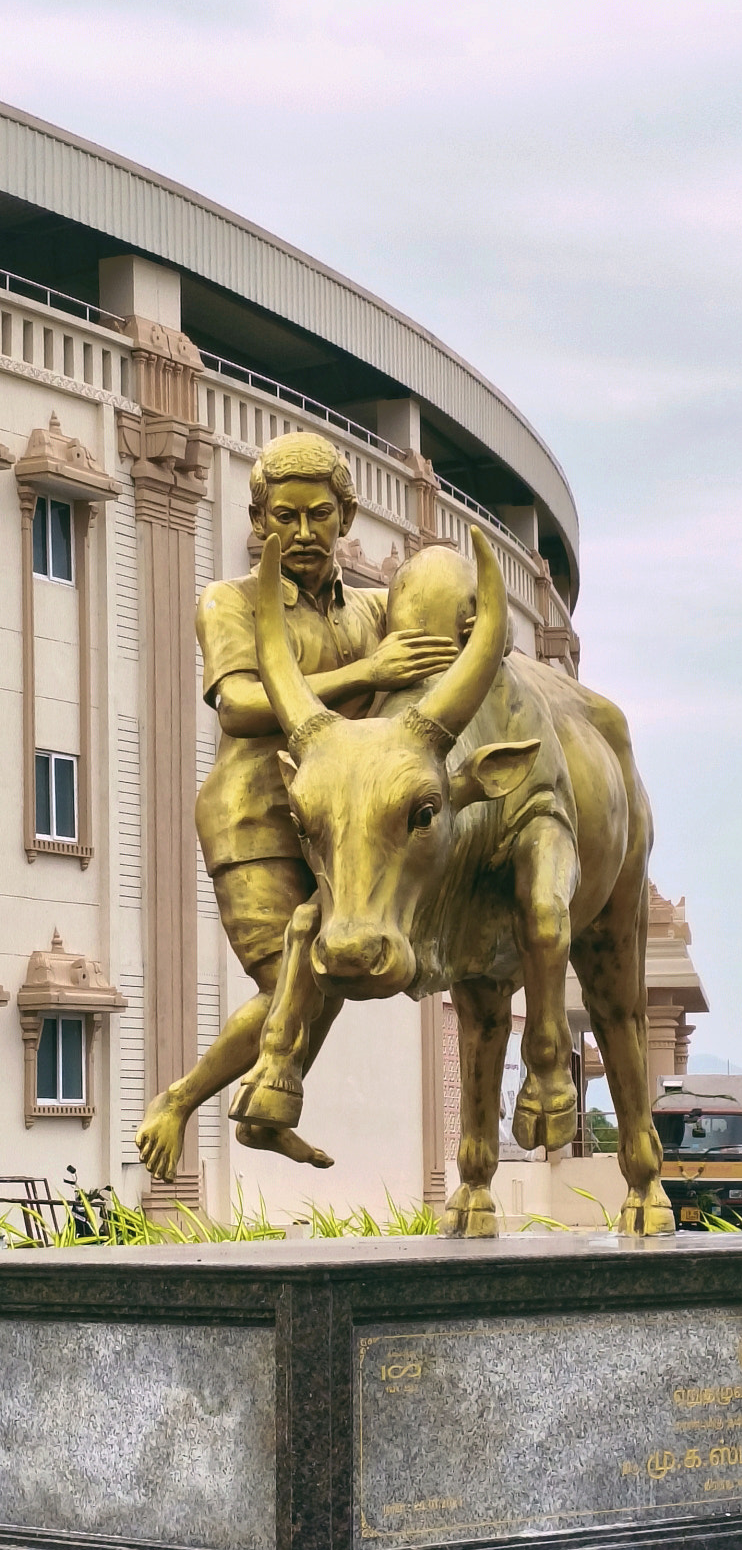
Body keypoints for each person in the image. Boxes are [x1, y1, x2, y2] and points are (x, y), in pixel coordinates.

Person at [135, 430, 456, 1184]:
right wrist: (370, 670)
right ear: (258, 521)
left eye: (318, 516)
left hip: (347, 828)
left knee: (334, 961)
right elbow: (241, 704)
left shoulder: (375, 611)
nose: (302, 533)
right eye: (284, 517)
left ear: (346, 520)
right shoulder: (230, 601)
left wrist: (465, 636)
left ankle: (270, 1100)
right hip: (255, 818)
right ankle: (179, 1102)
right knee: (293, 975)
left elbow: (430, 672)